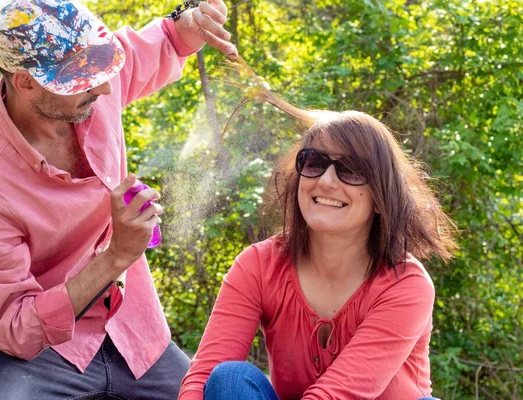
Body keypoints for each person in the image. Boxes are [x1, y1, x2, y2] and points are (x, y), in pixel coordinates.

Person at [0, 0, 237, 398]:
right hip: (38, 349)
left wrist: (192, 20)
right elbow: (15, 325)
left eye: (102, 71)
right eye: (82, 79)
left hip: (134, 329)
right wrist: (117, 256)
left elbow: (169, 38)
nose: (102, 87)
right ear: (25, 82)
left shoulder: (93, 77)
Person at [178, 106, 457, 399]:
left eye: (351, 170)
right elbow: (203, 377)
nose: (325, 181)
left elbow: (336, 395)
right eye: (313, 162)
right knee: (229, 379)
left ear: (380, 197)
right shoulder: (258, 265)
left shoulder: (406, 285)